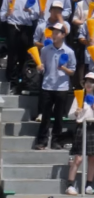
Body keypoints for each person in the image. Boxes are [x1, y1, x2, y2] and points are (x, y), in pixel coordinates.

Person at [33, 22, 75, 150]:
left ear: (63, 35)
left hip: (62, 87)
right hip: (47, 86)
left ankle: (56, 141)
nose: (54, 35)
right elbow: (42, 66)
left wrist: (63, 68)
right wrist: (40, 67)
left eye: (57, 33)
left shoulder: (69, 52)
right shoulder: (45, 50)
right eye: (53, 33)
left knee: (58, 116)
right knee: (45, 115)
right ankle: (42, 141)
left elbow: (72, 71)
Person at [0, 0, 37, 96]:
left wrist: (29, 11)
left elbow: (36, 15)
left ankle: (22, 82)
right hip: (12, 26)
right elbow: (1, 16)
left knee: (24, 57)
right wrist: (8, 13)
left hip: (26, 28)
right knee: (12, 56)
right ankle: (12, 82)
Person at [67, 72, 94, 194]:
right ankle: (70, 184)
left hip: (93, 127)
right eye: (87, 81)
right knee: (78, 158)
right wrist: (77, 112)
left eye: (92, 82)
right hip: (82, 127)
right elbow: (70, 115)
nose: (89, 84)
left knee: (92, 158)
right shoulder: (80, 96)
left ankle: (89, 184)